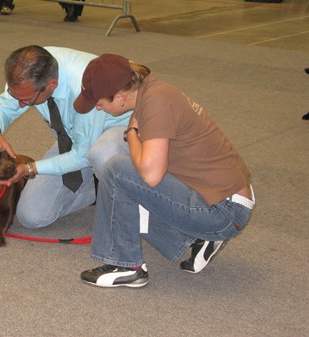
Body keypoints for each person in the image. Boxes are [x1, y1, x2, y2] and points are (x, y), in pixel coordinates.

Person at [74, 54, 256, 288]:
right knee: (126, 189)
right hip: (222, 197)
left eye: (99, 103)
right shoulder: (153, 91)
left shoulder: (156, 103)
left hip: (223, 211)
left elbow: (151, 175)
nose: (98, 108)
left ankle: (127, 266)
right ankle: (197, 238)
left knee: (117, 171)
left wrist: (131, 134)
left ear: (119, 97)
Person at [0, 46, 131, 229]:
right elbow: (3, 107)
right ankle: (97, 189)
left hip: (120, 129)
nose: (20, 104)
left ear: (51, 85)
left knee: (101, 153)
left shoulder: (84, 86)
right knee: (31, 215)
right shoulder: (27, 71)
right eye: (16, 96)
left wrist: (29, 169)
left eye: (27, 100)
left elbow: (82, 155)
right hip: (74, 139)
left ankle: (129, 196)